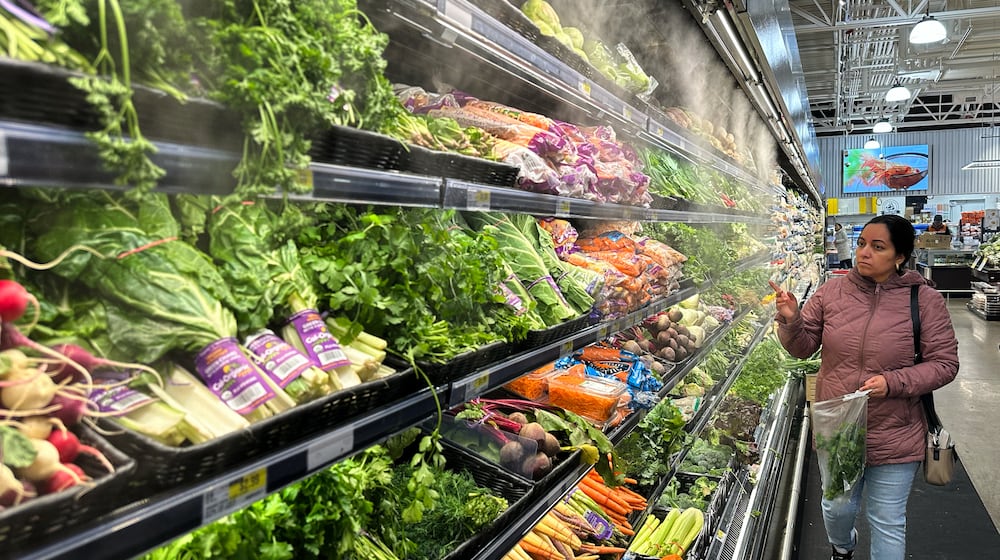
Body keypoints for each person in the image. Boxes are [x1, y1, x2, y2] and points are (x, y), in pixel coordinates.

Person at [769, 214, 959, 560]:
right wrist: (792, 320)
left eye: (877, 246)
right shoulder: (832, 292)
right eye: (861, 244)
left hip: (895, 429)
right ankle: (843, 547)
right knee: (837, 509)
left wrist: (894, 382)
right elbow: (803, 346)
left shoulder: (925, 301)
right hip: (840, 429)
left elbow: (945, 365)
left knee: (887, 520)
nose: (863, 253)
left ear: (899, 256)